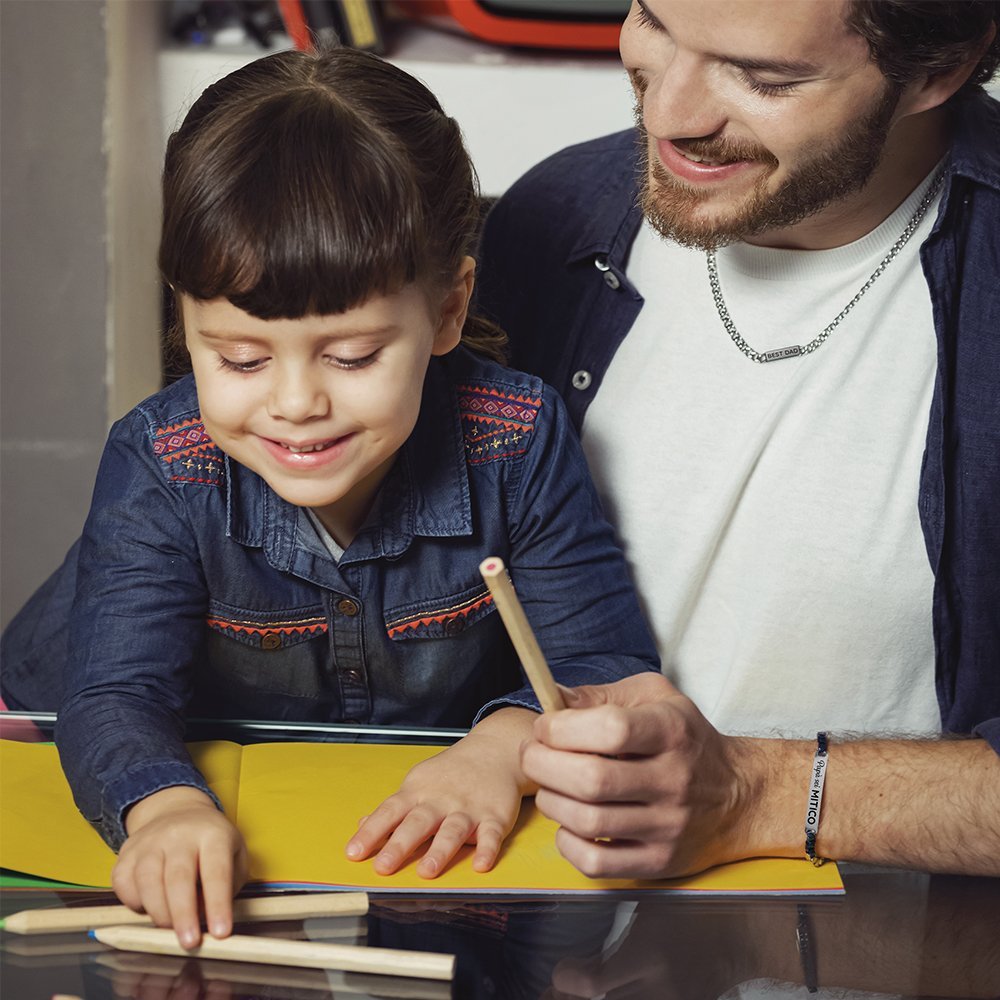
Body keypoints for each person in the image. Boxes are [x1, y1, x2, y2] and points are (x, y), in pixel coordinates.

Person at [0, 45, 660, 945]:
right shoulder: (162, 457)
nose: (297, 403)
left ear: (450, 310)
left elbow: (602, 665)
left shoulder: (517, 436)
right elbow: (114, 693)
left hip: (376, 803)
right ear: (186, 323)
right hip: (52, 737)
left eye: (351, 356)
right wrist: (159, 811)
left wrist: (501, 752)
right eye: (237, 358)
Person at [476, 0, 1000, 878]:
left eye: (763, 77)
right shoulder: (552, 215)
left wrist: (761, 794)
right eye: (652, 20)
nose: (669, 115)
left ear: (939, 70)